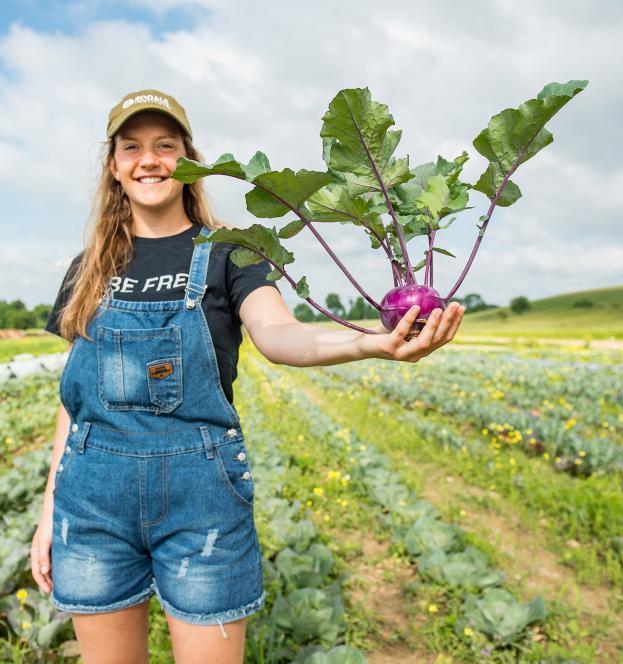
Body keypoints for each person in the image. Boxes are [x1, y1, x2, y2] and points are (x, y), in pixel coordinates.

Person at [31, 89, 465, 664]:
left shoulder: (231, 251)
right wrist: (48, 512)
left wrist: (369, 344)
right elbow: (75, 400)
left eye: (165, 145)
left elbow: (279, 334)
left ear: (189, 159)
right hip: (91, 501)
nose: (149, 159)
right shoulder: (87, 268)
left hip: (200, 498)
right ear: (114, 166)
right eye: (131, 147)